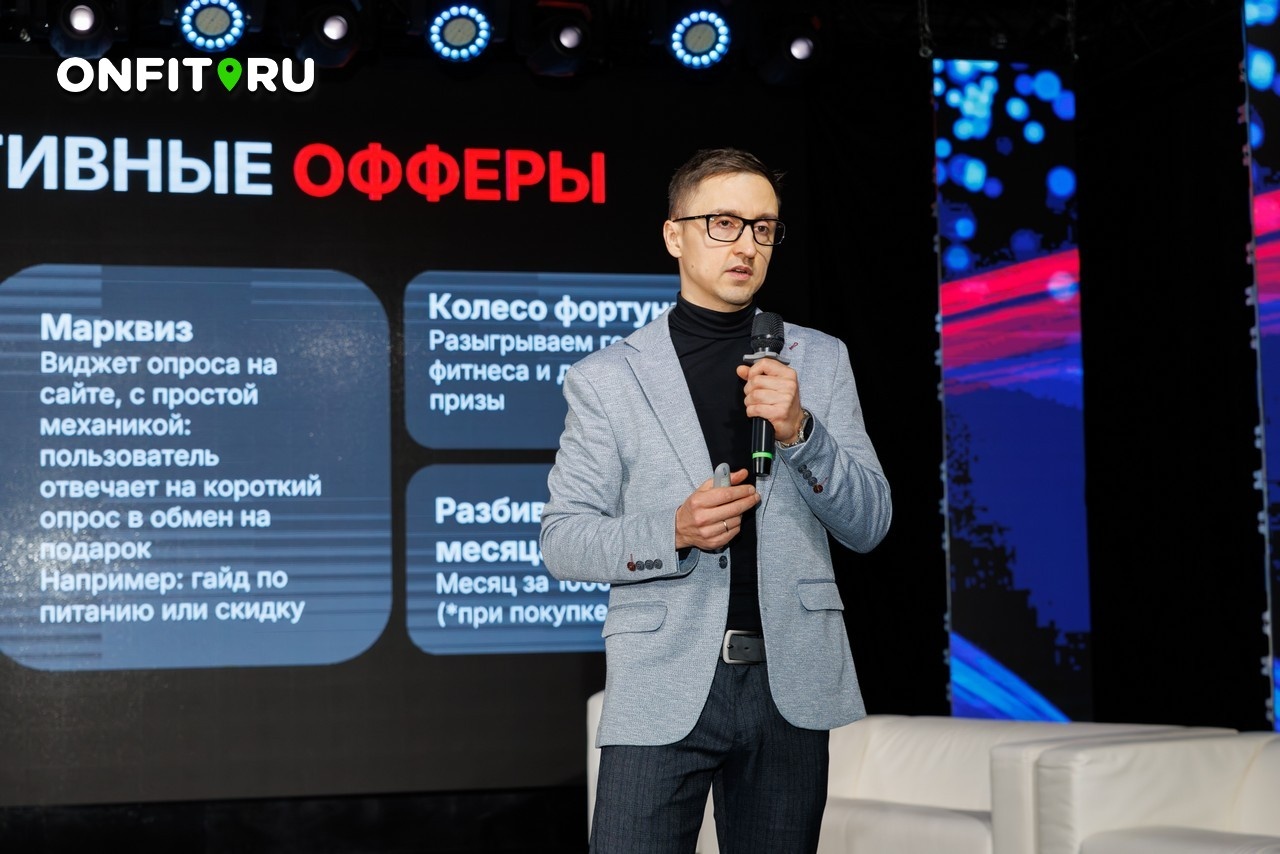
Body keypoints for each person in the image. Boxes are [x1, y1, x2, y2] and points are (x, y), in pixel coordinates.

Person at [540, 147, 892, 854]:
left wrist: (802, 432)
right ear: (675, 235)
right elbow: (563, 540)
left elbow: (870, 523)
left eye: (764, 228)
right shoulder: (608, 378)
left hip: (791, 684)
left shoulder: (820, 360)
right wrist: (674, 529)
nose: (747, 245)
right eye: (724, 223)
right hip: (662, 682)